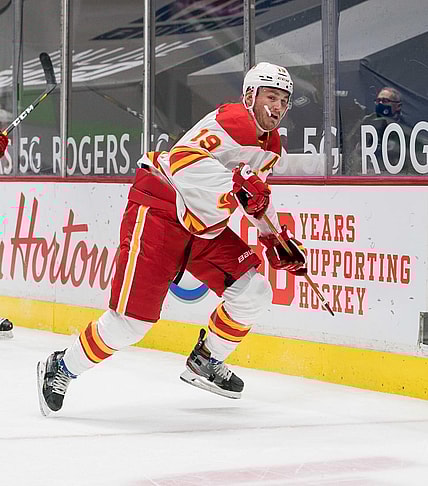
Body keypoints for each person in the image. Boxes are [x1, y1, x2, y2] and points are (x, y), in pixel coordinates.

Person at [36, 62, 307, 416]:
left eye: (284, 100)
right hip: (161, 209)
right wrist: (236, 183)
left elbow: (251, 195)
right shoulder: (231, 121)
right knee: (130, 324)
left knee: (254, 292)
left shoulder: (272, 145)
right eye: (271, 96)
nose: (278, 107)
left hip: (203, 224)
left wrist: (275, 239)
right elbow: (181, 160)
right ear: (250, 96)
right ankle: (62, 366)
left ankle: (207, 360)